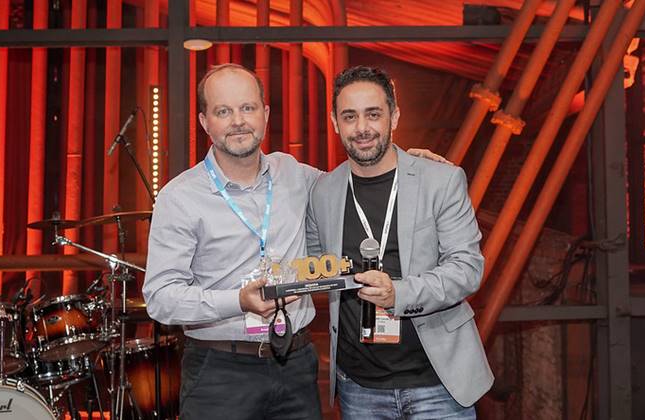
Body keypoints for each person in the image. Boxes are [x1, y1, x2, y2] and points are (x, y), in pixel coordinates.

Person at [306, 65, 493, 419]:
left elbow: (467, 270)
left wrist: (399, 294)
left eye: (373, 114)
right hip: (359, 387)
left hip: (438, 384)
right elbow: (313, 267)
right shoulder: (323, 191)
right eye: (349, 116)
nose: (362, 128)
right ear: (335, 122)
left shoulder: (441, 180)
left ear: (394, 116)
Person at [143, 63, 322, 419]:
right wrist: (237, 301)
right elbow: (160, 299)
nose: (238, 121)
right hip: (220, 374)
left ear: (265, 114)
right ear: (205, 122)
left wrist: (414, 162)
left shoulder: (294, 174)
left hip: (296, 365)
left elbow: (353, 185)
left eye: (247, 108)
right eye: (223, 111)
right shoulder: (179, 197)